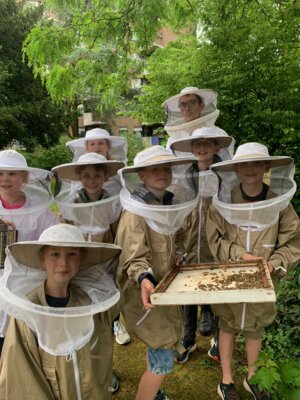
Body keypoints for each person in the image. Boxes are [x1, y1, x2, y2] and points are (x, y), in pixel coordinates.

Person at [206, 143, 300, 400]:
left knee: (255, 328)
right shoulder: (223, 202)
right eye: (244, 164)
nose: (250, 169)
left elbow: (293, 242)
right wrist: (238, 255)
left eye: (256, 163)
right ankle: (226, 381)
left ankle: (252, 377)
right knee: (227, 324)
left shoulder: (280, 204)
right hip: (230, 278)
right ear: (236, 168)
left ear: (266, 167)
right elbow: (214, 238)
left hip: (264, 279)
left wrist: (274, 262)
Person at [0, 223, 122, 399]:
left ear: (80, 259)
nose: (63, 263)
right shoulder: (28, 312)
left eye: (72, 254)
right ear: (42, 259)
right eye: (55, 254)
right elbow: (22, 376)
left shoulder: (90, 303)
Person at [115, 145, 199, 400]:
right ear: (141, 174)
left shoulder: (170, 202)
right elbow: (133, 257)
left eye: (166, 168)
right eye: (154, 169)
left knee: (161, 344)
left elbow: (181, 233)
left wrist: (180, 254)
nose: (162, 173)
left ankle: (155, 393)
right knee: (162, 357)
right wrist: (143, 277)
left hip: (166, 290)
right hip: (146, 295)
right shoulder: (134, 213)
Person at [170, 126, 234, 363]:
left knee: (215, 288)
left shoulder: (225, 175)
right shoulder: (182, 175)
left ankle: (218, 337)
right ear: (191, 148)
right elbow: (175, 212)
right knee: (187, 289)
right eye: (197, 144)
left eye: (208, 143)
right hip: (188, 242)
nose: (202, 148)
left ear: (217, 147)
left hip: (215, 244)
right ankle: (188, 338)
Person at [66, 128, 129, 345]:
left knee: (107, 302)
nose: (91, 181)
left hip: (105, 261)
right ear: (80, 177)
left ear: (105, 177)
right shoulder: (73, 202)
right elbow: (65, 231)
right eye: (86, 176)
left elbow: (117, 232)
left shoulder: (113, 200)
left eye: (97, 176)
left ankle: (112, 325)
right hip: (79, 262)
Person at [0, 149, 58, 354]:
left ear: (24, 178)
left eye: (12, 173)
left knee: (26, 338)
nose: (5, 179)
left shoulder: (41, 210)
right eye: (0, 173)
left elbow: (54, 242)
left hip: (30, 283)